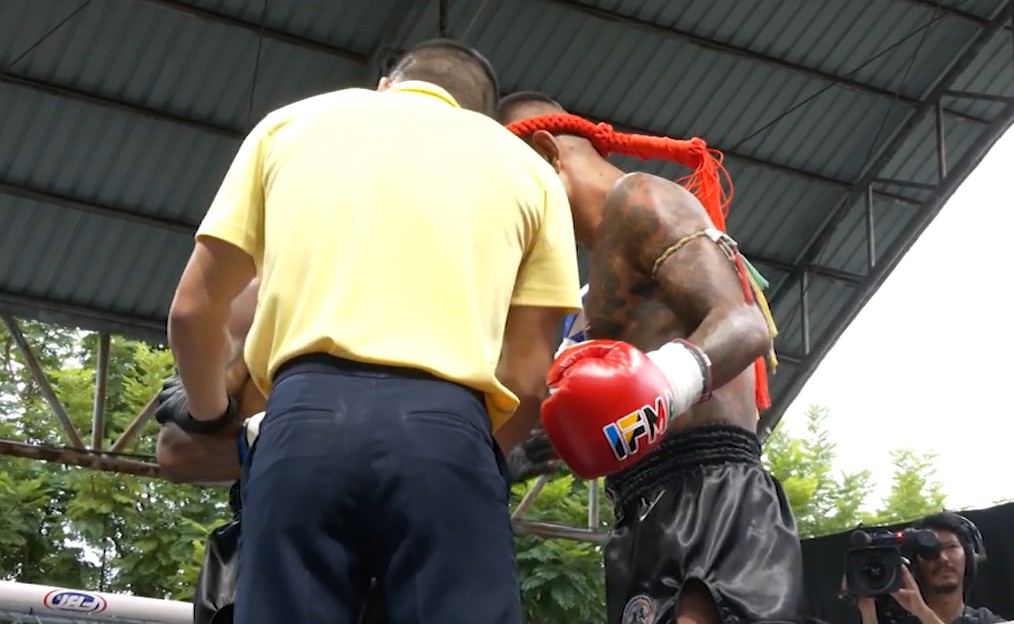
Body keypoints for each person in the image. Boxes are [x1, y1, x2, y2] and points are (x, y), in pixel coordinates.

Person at [165, 39, 581, 624]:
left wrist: (211, 415)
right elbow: (529, 380)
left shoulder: (289, 126)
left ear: (386, 85)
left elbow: (192, 310)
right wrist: (478, 460)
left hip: (300, 426)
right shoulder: (526, 171)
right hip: (448, 435)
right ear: (481, 117)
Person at [498, 92, 802, 624]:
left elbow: (743, 324)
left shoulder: (639, 198)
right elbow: (613, 416)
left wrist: (661, 384)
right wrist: (527, 452)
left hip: (712, 495)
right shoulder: (588, 283)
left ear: (547, 154)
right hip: (643, 508)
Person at [854, 513, 1003, 624]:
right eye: (930, 551)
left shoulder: (987, 621)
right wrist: (867, 607)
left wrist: (923, 612)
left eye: (951, 547)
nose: (943, 558)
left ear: (968, 557)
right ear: (915, 565)